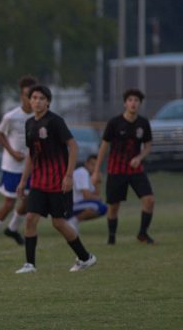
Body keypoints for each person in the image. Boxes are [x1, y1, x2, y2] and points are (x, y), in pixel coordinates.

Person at [14, 85, 97, 274]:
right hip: (38, 182)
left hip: (58, 181)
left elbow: (73, 146)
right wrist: (22, 181)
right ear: (29, 101)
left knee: (58, 222)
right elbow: (31, 155)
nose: (37, 101)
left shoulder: (55, 121)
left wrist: (68, 176)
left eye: (41, 98)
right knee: (30, 219)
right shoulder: (29, 124)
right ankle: (30, 264)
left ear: (48, 102)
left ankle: (85, 257)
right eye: (34, 97)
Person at [91, 89, 155, 245]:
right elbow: (104, 147)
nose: (133, 103)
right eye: (130, 100)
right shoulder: (114, 123)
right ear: (125, 103)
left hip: (135, 170)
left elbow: (148, 146)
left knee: (149, 200)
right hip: (116, 170)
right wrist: (96, 171)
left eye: (136, 100)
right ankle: (111, 237)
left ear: (140, 104)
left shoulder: (143, 123)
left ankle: (142, 234)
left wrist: (139, 158)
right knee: (114, 206)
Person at [0, 75, 37, 247]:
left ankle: (12, 229)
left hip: (30, 166)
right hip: (12, 166)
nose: (31, 99)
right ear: (21, 96)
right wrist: (12, 152)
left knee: (29, 201)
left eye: (33, 95)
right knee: (9, 202)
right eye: (26, 95)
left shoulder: (39, 117)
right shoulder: (12, 116)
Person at [69, 154, 108, 231]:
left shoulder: (88, 176)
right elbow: (86, 196)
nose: (94, 168)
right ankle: (72, 221)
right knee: (98, 206)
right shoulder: (82, 172)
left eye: (96, 166)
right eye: (92, 164)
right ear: (86, 163)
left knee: (101, 206)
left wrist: (98, 182)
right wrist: (98, 198)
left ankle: (73, 221)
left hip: (77, 204)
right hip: (71, 205)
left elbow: (95, 195)